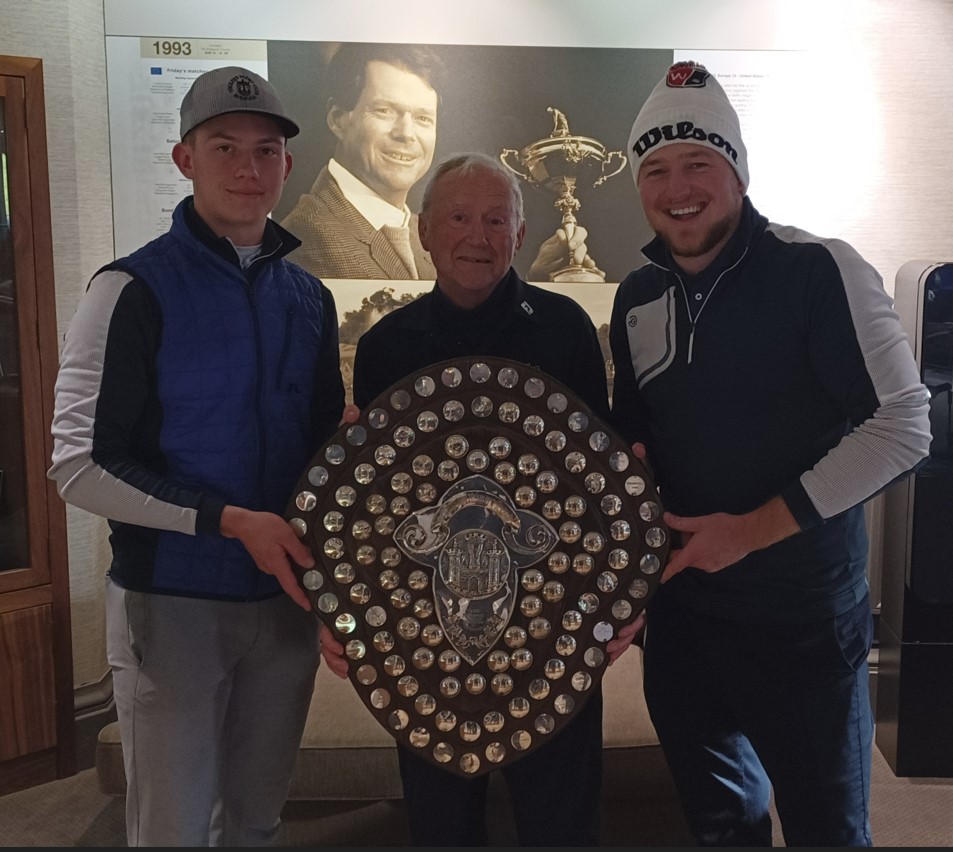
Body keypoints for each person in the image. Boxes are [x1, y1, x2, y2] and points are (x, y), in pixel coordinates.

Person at [606, 60, 932, 847]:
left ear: (737, 170)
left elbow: (903, 425)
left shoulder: (818, 269)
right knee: (722, 828)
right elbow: (631, 445)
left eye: (697, 162)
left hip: (802, 625)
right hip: (682, 625)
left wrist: (748, 530)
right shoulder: (636, 294)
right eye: (655, 168)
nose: (676, 186)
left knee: (827, 830)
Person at [48, 66, 346, 846]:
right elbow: (78, 465)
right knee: (173, 827)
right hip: (170, 601)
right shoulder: (130, 289)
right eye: (225, 148)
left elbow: (322, 455)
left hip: (283, 603)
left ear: (287, 164)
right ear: (186, 159)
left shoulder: (309, 298)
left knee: (255, 818)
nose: (248, 168)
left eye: (266, 150)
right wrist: (226, 521)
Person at [321, 151, 612, 846]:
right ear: (423, 230)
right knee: (442, 825)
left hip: (551, 628)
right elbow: (372, 506)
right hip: (426, 636)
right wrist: (352, 616)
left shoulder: (566, 328)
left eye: (494, 219)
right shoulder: (385, 344)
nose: (476, 236)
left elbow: (600, 487)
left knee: (561, 823)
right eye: (457, 217)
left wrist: (607, 608)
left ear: (518, 234)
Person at [280, 42, 601, 283]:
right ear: (338, 119)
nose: (406, 134)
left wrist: (536, 283)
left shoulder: (418, 231)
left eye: (422, 118)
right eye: (385, 111)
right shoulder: (308, 240)